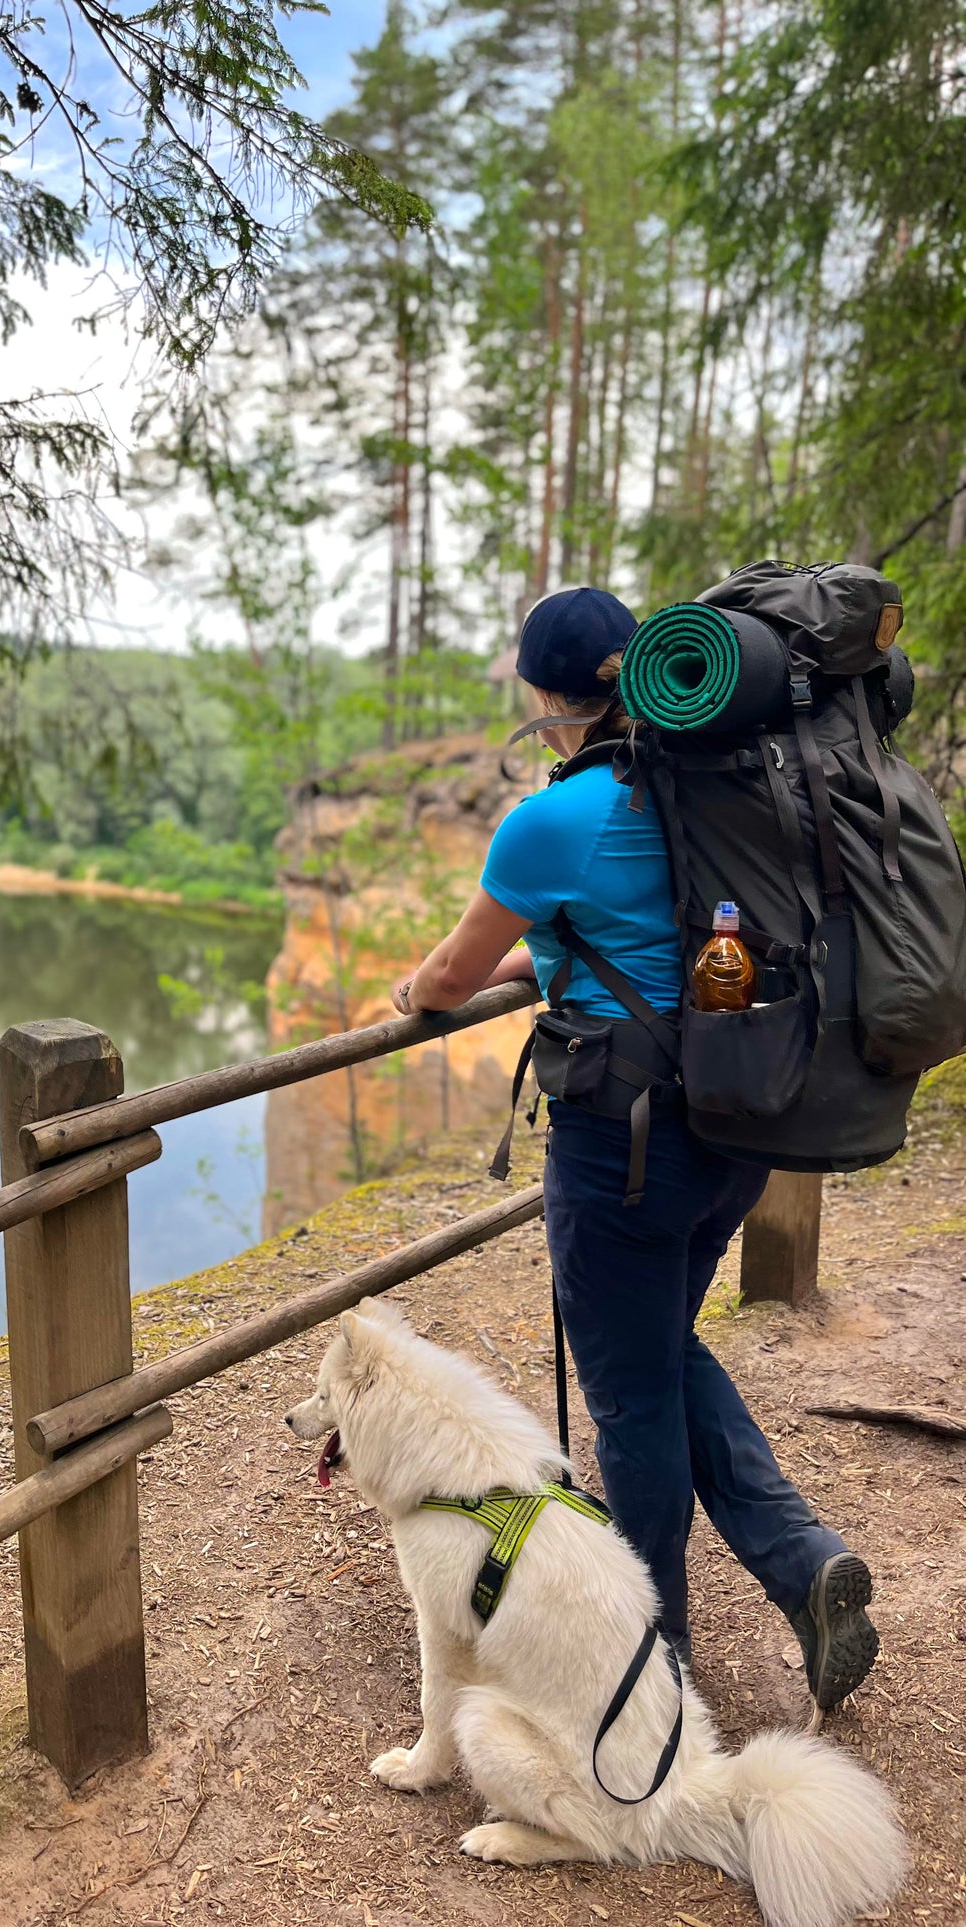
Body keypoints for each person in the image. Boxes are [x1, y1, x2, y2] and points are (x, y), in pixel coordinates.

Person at [390, 585, 878, 1711]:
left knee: (630, 1398)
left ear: (547, 698)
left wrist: (417, 988)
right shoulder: (724, 786)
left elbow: (448, 978)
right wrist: (541, 963)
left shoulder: (551, 819)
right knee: (657, 1349)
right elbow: (626, 940)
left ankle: (646, 1655)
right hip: (733, 1129)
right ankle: (802, 1565)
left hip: (623, 1149)